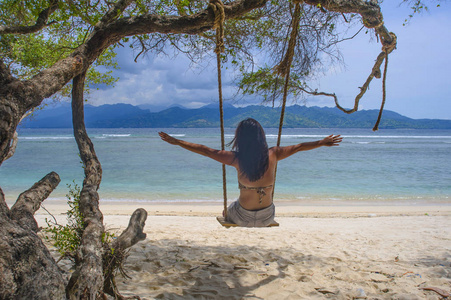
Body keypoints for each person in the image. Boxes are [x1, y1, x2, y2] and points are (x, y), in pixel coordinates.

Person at [159, 118, 342, 227]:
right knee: (253, 204)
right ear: (261, 136)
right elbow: (299, 147)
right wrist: (321, 142)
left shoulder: (236, 158)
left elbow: (206, 150)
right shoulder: (274, 153)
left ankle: (233, 212)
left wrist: (178, 142)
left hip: (241, 217)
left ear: (241, 138)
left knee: (226, 210)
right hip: (267, 217)